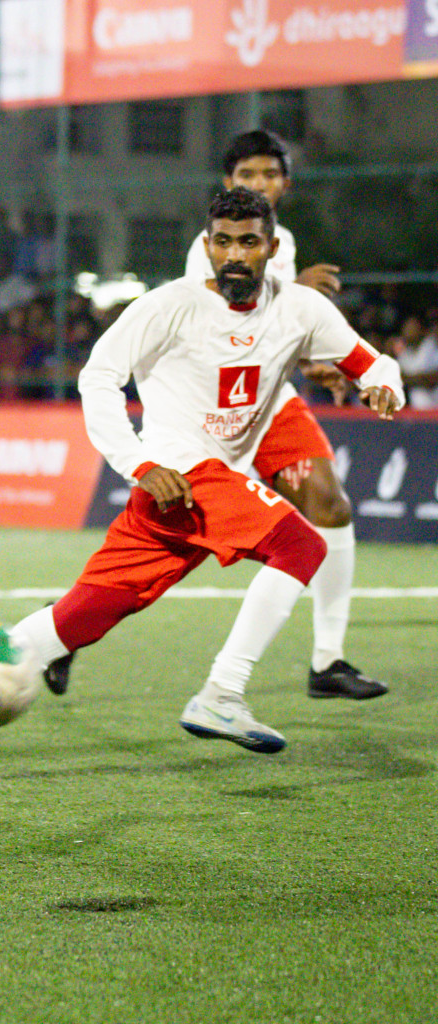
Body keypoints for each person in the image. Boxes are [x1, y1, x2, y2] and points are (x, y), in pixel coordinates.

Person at [0, 189, 403, 792]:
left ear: (272, 248)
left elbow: (371, 362)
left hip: (196, 493)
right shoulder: (171, 305)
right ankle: (222, 692)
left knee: (77, 619)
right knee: (302, 546)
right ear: (208, 245)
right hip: (177, 475)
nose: (235, 254)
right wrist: (137, 461)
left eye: (248, 242)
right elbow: (98, 377)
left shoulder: (300, 309)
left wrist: (381, 385)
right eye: (223, 241)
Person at [151, 128, 388, 701]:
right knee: (168, 547)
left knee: (329, 503)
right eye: (247, 175)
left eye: (269, 174)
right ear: (227, 183)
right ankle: (67, 627)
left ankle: (327, 661)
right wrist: (290, 286)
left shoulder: (282, 239)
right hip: (208, 408)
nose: (259, 183)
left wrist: (322, 364)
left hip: (268, 400)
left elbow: (278, 331)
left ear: (286, 182)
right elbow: (217, 327)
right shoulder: (211, 245)